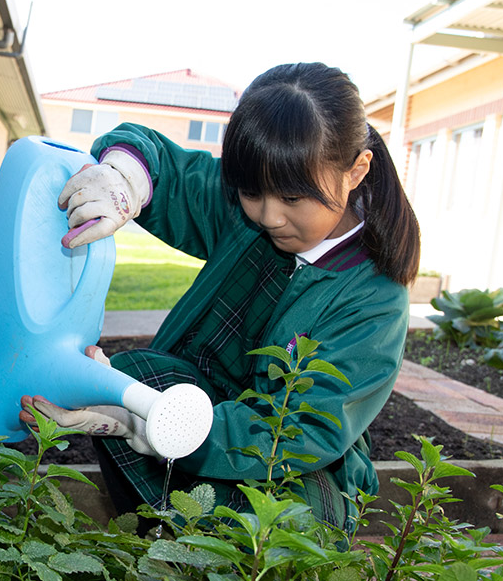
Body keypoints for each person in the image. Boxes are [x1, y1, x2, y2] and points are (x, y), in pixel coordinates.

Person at [22, 62, 422, 532]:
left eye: (293, 199)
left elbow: (302, 432)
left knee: (292, 526)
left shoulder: (374, 297)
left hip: (296, 462)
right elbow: (167, 167)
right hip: (205, 407)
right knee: (123, 380)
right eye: (252, 191)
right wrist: (124, 176)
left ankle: (214, 553)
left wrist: (154, 425)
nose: (269, 216)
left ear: (356, 170)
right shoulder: (242, 211)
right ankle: (160, 544)